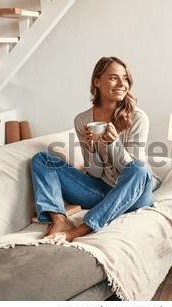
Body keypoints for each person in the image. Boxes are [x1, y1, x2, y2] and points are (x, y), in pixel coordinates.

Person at [30, 56, 158, 242]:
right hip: (100, 191)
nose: (122, 83)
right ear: (97, 81)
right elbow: (96, 173)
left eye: (125, 78)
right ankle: (59, 220)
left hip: (134, 195)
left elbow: (129, 170)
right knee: (42, 159)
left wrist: (113, 143)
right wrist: (91, 149)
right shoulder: (82, 120)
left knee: (140, 168)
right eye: (114, 78)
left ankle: (80, 229)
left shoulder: (138, 118)